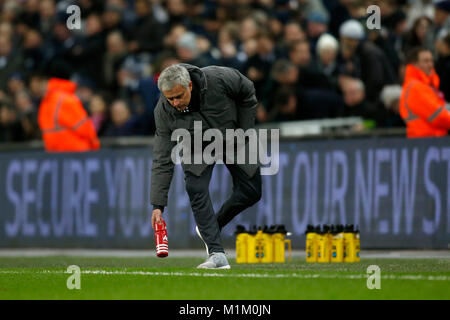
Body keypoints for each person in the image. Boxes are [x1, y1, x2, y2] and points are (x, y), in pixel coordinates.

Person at [150, 64, 262, 269]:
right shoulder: (164, 111)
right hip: (195, 145)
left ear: (190, 85)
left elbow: (247, 90)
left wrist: (244, 131)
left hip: (233, 135)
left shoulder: (219, 78)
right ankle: (216, 254)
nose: (175, 103)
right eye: (169, 98)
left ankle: (211, 226)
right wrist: (158, 206)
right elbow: (162, 158)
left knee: (252, 192)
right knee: (195, 188)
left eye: (179, 96)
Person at [38, 65, 100, 152]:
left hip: (54, 153)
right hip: (75, 152)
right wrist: (95, 145)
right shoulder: (67, 99)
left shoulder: (47, 100)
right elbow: (83, 127)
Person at [399, 47, 450, 138]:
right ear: (414, 64)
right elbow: (438, 116)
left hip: (427, 142)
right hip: (427, 142)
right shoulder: (416, 87)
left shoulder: (424, 86)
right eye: (426, 61)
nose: (430, 65)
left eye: (431, 61)